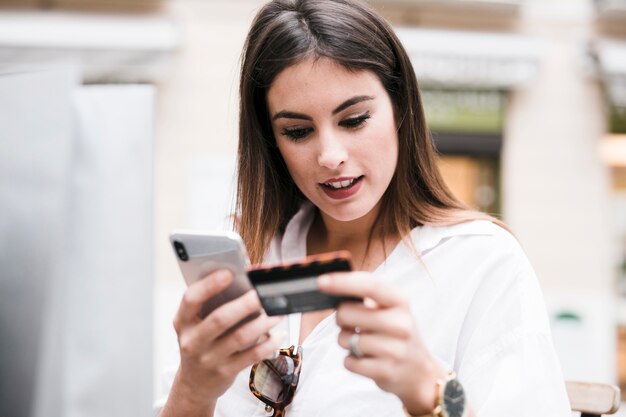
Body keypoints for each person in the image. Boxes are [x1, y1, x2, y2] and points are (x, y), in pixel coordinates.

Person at [156, 0, 571, 416]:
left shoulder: (480, 261)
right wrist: (192, 389)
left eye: (354, 120)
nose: (330, 155)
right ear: (271, 142)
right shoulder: (250, 254)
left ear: (401, 110)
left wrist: (430, 390)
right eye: (298, 131)